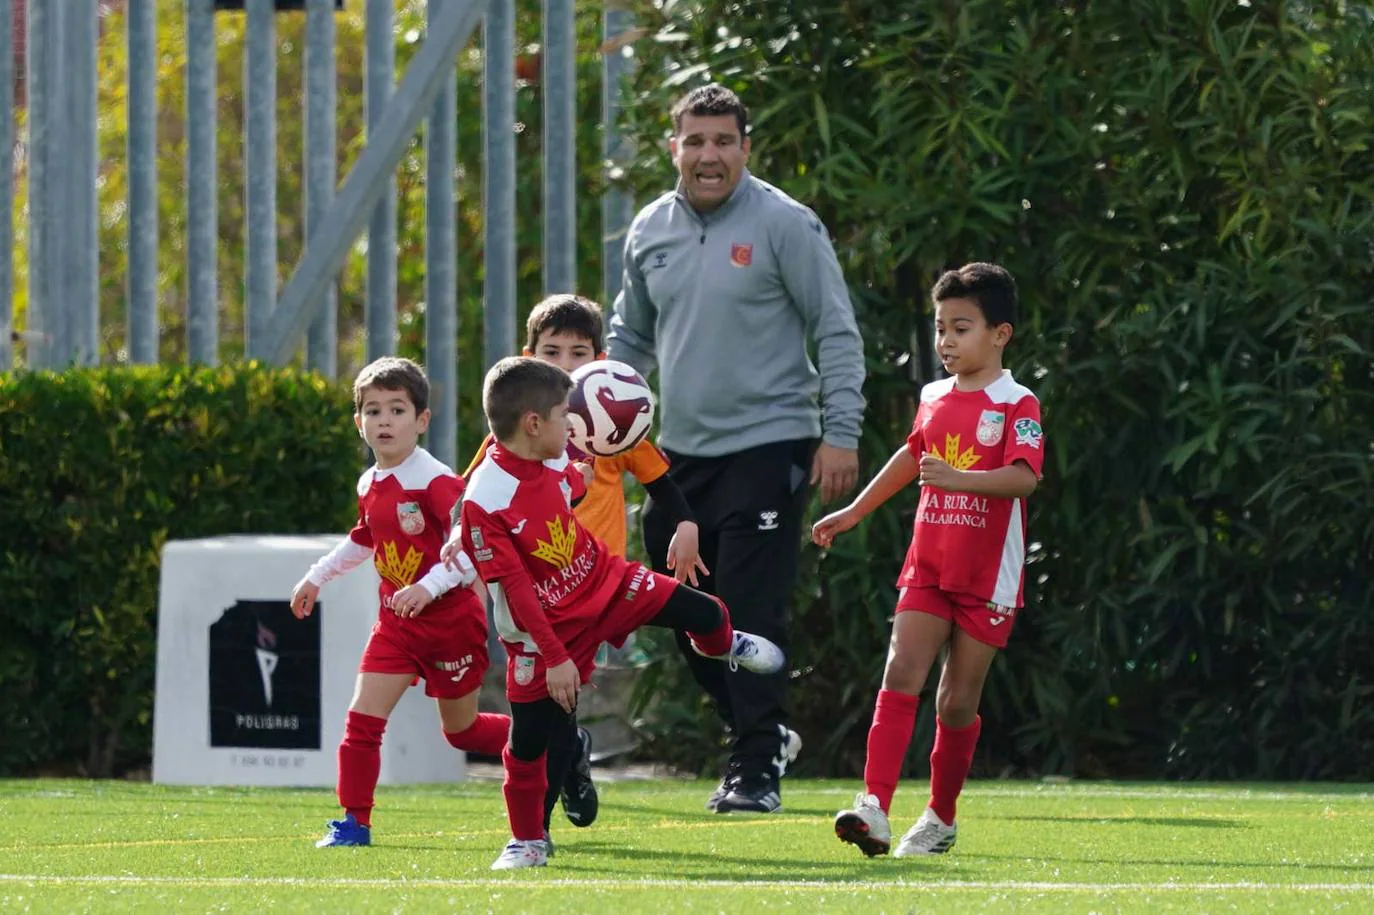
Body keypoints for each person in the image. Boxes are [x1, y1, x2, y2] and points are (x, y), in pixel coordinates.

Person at [606, 82, 867, 813]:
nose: (709, 155)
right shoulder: (650, 228)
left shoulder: (786, 223)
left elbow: (837, 331)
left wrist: (839, 432)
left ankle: (755, 771)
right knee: (687, 616)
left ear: (746, 148)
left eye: (723, 141)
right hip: (679, 460)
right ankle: (762, 728)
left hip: (770, 443)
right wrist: (597, 417)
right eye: (695, 141)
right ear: (673, 148)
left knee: (748, 611)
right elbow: (629, 338)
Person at [446, 357, 785, 869]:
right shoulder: (486, 498)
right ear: (532, 424)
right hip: (545, 635)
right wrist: (556, 658)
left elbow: (566, 491)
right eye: (565, 415)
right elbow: (515, 589)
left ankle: (728, 646)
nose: (574, 425)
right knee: (527, 745)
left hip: (607, 582)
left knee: (709, 612)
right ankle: (527, 841)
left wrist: (578, 480)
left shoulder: (551, 452)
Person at [813, 263, 1043, 857]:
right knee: (900, 673)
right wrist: (854, 513)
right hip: (929, 565)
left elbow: (1023, 480)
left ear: (1000, 334)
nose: (946, 342)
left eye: (961, 328)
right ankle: (874, 808)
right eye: (941, 329)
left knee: (956, 702)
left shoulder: (1018, 402)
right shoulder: (933, 396)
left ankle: (940, 818)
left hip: (990, 575)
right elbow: (909, 458)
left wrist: (960, 479)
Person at [460, 294, 707, 835]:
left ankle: (544, 807)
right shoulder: (522, 431)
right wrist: (458, 548)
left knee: (556, 697)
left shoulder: (610, 422)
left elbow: (660, 481)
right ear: (531, 356)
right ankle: (559, 784)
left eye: (579, 352)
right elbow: (473, 496)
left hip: (599, 583)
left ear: (599, 358)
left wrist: (686, 524)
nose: (567, 365)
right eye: (553, 352)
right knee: (554, 703)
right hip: (542, 590)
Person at [289, 356, 510, 847]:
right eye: (373, 411)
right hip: (396, 625)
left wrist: (427, 587)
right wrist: (316, 576)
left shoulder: (436, 482)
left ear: (422, 420)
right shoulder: (369, 482)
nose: (384, 421)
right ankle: (354, 823)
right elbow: (364, 539)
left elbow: (471, 550)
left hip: (449, 623)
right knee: (362, 722)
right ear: (358, 422)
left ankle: (548, 741)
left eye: (397, 410)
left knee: (463, 732)